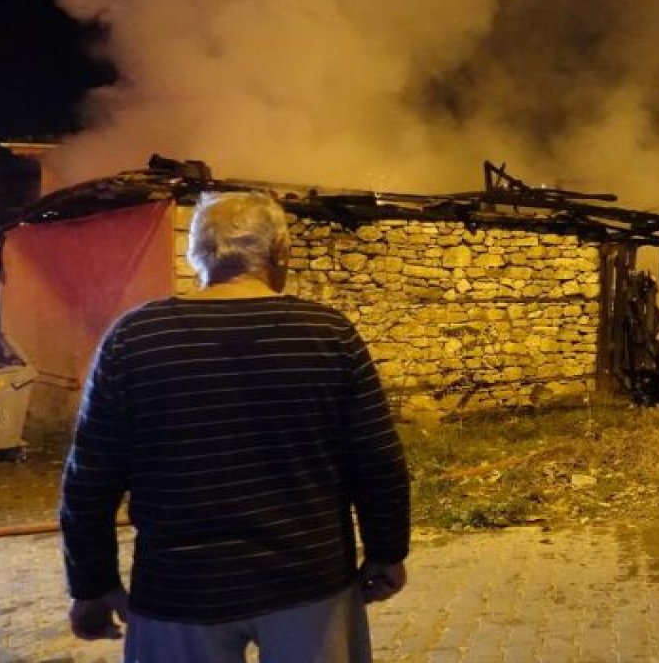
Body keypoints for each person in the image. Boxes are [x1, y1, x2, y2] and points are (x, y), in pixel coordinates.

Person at [59, 191, 411, 663]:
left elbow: (89, 477)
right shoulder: (329, 334)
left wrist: (92, 584)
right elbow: (377, 459)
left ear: (196, 256)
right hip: (309, 584)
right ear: (280, 252)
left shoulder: (135, 339)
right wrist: (387, 552)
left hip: (179, 590)